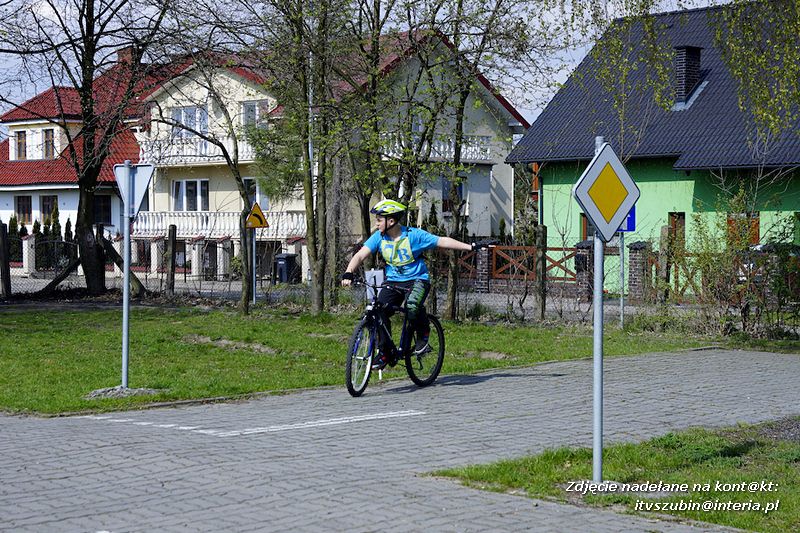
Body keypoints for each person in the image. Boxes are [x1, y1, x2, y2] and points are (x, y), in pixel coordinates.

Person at [341, 199, 475, 369]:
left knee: (412, 305)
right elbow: (360, 255)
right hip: (393, 282)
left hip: (417, 279)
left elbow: (442, 241)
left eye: (379, 220)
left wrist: (470, 247)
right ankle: (385, 353)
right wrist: (349, 272)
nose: (376, 223)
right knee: (378, 312)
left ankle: (423, 336)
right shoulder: (379, 238)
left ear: (391, 221)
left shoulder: (413, 235)